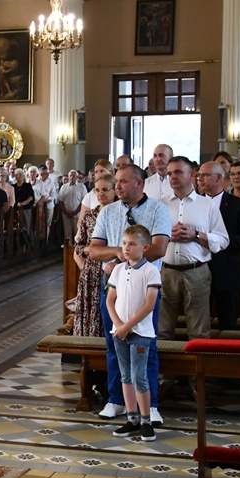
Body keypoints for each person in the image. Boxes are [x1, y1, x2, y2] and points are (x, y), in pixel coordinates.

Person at [87, 164, 170, 425]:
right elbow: (94, 250)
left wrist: (125, 262)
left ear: (139, 183)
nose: (118, 186)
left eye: (123, 181)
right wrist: (116, 252)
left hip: (144, 287)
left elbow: (159, 248)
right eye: (117, 182)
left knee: (146, 346)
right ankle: (117, 400)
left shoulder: (157, 209)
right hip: (114, 287)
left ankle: (151, 405)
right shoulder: (108, 211)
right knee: (114, 344)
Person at [158, 157, 228, 343]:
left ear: (192, 175)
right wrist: (167, 236)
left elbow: (223, 240)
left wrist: (196, 235)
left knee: (199, 331)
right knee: (162, 329)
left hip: (197, 272)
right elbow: (147, 239)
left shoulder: (207, 205)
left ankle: (198, 363)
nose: (173, 177)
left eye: (178, 172)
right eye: (170, 173)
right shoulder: (159, 205)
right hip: (166, 271)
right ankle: (164, 363)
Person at [106, 224, 161, 442]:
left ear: (145, 247)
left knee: (139, 376)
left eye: (132, 244)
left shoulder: (150, 270)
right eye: (124, 244)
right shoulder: (118, 270)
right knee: (126, 376)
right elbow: (110, 300)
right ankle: (132, 419)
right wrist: (118, 325)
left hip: (140, 332)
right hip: (119, 332)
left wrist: (127, 326)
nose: (126, 248)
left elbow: (149, 305)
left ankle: (146, 421)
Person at [200, 162, 240, 332]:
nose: (200, 179)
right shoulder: (193, 203)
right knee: (198, 323)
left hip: (227, 269)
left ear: (218, 178)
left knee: (228, 323)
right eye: (199, 175)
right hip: (198, 269)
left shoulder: (237, 204)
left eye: (205, 175)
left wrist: (217, 240)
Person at [72, 175, 116, 337]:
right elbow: (79, 247)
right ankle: (89, 346)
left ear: (114, 190)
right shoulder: (89, 216)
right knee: (90, 312)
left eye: (105, 189)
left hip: (112, 268)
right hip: (91, 270)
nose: (101, 193)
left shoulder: (121, 214)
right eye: (97, 190)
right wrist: (89, 251)